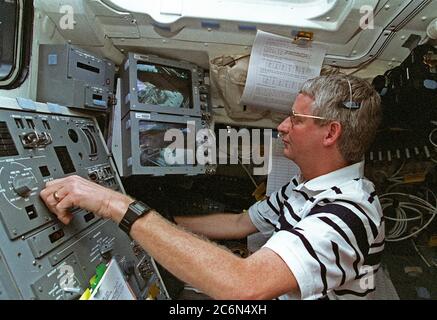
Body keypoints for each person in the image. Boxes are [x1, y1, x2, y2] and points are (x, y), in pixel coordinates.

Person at [40, 74, 384, 300]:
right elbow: (239, 224)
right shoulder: (305, 185)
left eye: (295, 119)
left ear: (330, 133)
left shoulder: (350, 212)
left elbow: (245, 286)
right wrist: (157, 227)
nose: (281, 126)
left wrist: (116, 206)